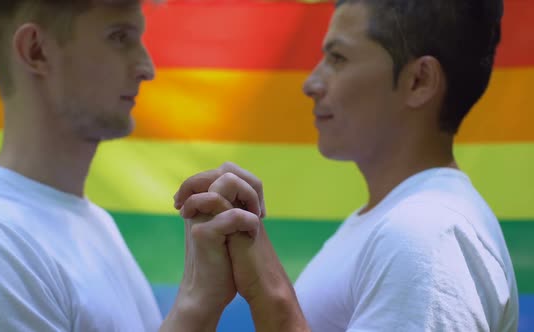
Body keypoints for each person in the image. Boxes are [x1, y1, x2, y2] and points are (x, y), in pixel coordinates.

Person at [173, 0, 520, 331]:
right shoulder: (400, 221)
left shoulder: (425, 232)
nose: (311, 84)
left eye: (338, 58)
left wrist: (270, 292)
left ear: (420, 81)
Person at [0, 1, 259, 331]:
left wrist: (202, 299)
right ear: (36, 51)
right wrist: (196, 301)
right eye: (120, 36)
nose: (146, 67)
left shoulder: (92, 223)